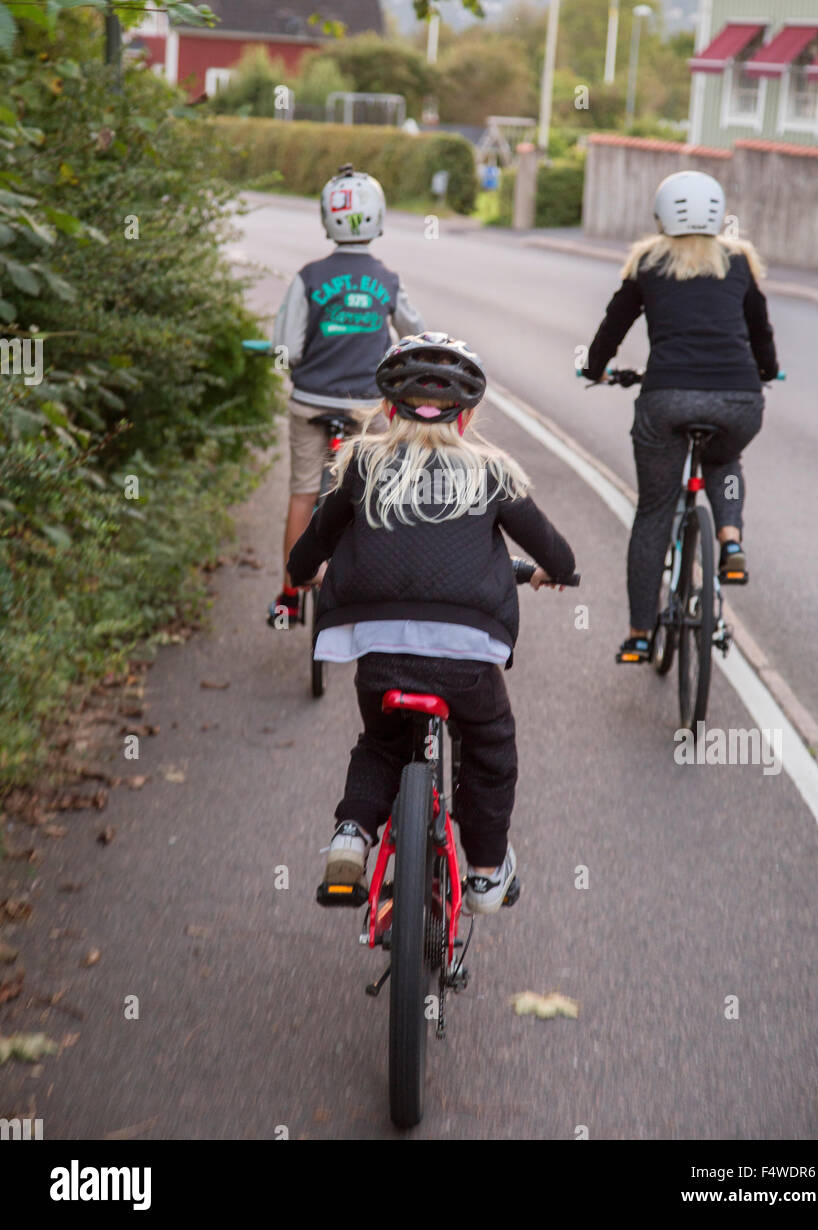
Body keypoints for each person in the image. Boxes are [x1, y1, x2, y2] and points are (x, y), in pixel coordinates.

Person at [287, 333, 576, 914]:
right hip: (467, 650)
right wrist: (546, 572)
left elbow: (307, 554)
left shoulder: (361, 463)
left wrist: (308, 574)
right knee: (491, 748)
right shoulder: (491, 472)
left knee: (382, 743)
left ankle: (350, 836)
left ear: (387, 406)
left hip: (378, 644)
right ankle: (488, 874)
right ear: (467, 413)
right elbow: (562, 560)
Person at [581, 170, 778, 664]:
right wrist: (768, 372)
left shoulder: (648, 263)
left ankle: (640, 635)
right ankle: (729, 539)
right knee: (724, 459)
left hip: (665, 400)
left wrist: (595, 368)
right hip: (738, 400)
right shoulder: (738, 262)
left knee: (653, 514)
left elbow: (613, 325)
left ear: (661, 216)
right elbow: (761, 331)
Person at [268, 164, 424, 625]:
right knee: (376, 493)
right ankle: (378, 587)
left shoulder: (308, 277)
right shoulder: (388, 280)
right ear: (377, 218)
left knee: (301, 494)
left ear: (326, 217)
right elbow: (415, 334)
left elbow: (287, 349)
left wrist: (289, 364)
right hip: (366, 406)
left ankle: (289, 596)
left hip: (311, 402)